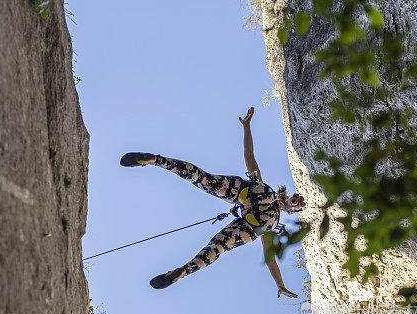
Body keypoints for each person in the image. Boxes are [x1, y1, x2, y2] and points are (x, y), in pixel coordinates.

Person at [120, 107, 305, 298]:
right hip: (263, 222)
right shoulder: (270, 228)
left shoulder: (259, 183)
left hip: (252, 193)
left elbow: (249, 154)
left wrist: (247, 127)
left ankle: (158, 160)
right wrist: (280, 284)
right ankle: (185, 270)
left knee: (202, 180)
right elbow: (270, 260)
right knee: (219, 247)